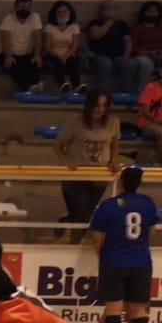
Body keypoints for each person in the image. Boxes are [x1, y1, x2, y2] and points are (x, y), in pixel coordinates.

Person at [88, 165, 158, 323]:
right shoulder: (148, 203)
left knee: (113, 309)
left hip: (114, 261)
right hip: (141, 261)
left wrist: (103, 256)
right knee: (139, 310)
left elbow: (96, 238)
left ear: (120, 182)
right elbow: (152, 230)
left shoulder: (107, 206)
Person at [55, 89, 122, 231]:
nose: (100, 110)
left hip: (99, 176)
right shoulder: (75, 121)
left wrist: (114, 160)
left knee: (85, 216)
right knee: (79, 214)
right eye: (97, 105)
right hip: (76, 176)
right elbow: (57, 145)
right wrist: (66, 161)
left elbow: (114, 146)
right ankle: (69, 228)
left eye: (104, 106)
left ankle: (68, 228)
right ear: (89, 104)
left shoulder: (113, 122)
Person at [84, 0, 142, 94]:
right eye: (106, 8)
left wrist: (126, 56)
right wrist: (109, 23)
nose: (110, 10)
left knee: (130, 64)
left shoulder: (122, 24)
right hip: (99, 56)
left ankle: (125, 93)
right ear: (101, 11)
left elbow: (128, 41)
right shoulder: (94, 23)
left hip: (118, 56)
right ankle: (98, 93)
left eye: (113, 8)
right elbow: (96, 35)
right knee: (106, 63)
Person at [0, 0, 42, 93]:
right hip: (12, 54)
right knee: (12, 67)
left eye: (28, 7)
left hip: (28, 54)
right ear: (16, 7)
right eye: (22, 7)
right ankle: (29, 88)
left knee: (36, 64)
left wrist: (37, 55)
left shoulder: (35, 17)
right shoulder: (8, 18)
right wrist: (8, 56)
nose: (24, 9)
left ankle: (33, 87)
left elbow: (37, 37)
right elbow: (5, 40)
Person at [42, 0, 82, 93]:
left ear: (69, 12)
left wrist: (66, 56)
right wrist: (60, 57)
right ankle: (62, 86)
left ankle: (77, 86)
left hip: (69, 54)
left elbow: (74, 46)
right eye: (59, 12)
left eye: (65, 11)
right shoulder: (49, 27)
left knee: (75, 61)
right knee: (57, 62)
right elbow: (47, 47)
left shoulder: (74, 27)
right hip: (53, 54)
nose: (62, 14)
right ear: (55, 14)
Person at [131, 0, 162, 80]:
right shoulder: (137, 29)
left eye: (155, 12)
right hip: (143, 56)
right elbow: (133, 47)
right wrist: (149, 53)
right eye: (149, 11)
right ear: (144, 13)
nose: (152, 14)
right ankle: (145, 87)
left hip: (161, 55)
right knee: (146, 63)